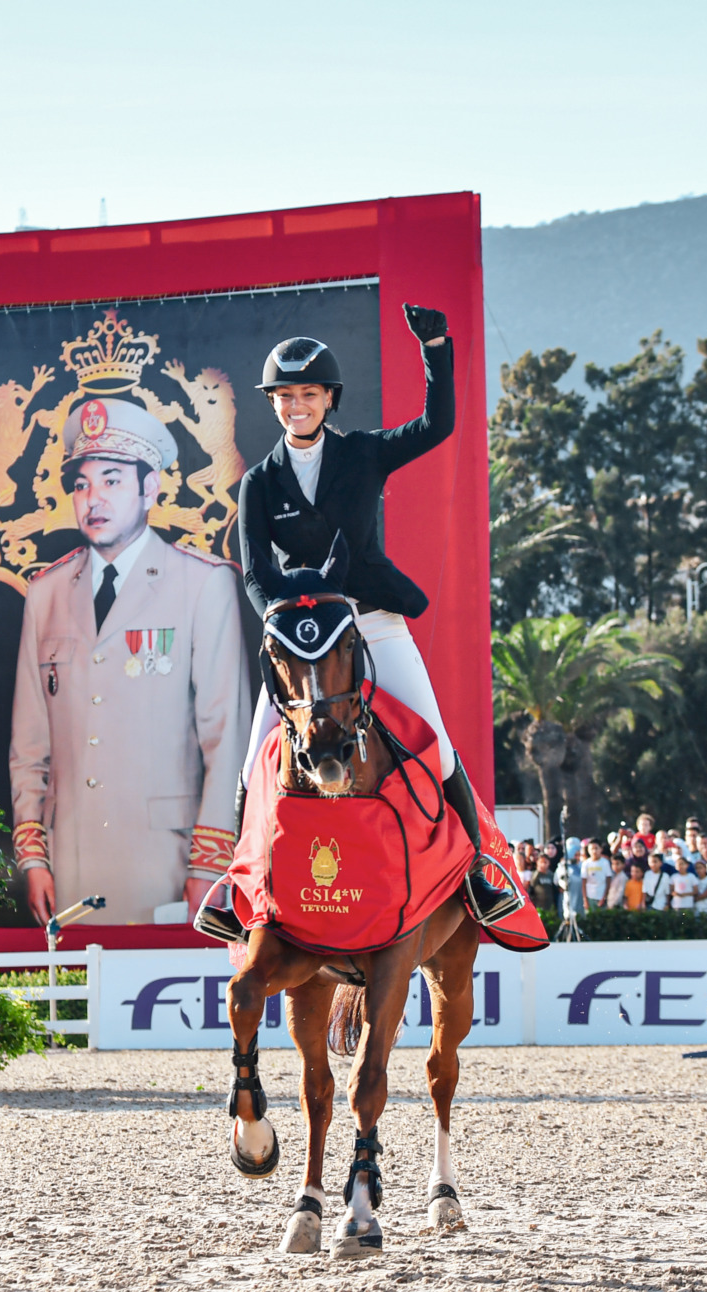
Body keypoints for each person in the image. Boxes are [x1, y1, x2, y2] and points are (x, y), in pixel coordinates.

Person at [201, 301, 519, 934]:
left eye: (309, 394)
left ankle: (481, 867)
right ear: (273, 404)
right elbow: (257, 574)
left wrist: (435, 352)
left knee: (434, 736)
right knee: (251, 761)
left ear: (329, 399)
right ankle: (236, 888)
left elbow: (437, 424)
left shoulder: (365, 454)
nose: (297, 406)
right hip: (298, 637)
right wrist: (279, 623)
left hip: (370, 621)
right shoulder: (259, 483)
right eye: (285, 396)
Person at [9, 392, 248, 926]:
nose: (94, 498)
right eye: (81, 484)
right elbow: (30, 747)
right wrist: (33, 857)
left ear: (149, 488)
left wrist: (209, 869)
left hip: (167, 870)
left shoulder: (203, 585)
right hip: (67, 875)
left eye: (112, 480)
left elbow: (226, 739)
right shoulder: (45, 595)